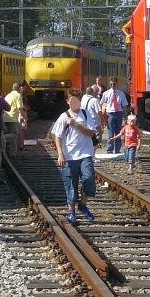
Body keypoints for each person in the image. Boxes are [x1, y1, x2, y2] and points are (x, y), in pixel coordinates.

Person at [51, 89, 98, 225]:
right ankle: (71, 212)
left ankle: (82, 205)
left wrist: (76, 124)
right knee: (71, 184)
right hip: (69, 156)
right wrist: (60, 154)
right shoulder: (63, 117)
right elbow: (57, 137)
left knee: (89, 179)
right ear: (67, 101)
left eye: (77, 98)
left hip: (85, 153)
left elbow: (90, 133)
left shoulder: (86, 114)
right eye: (72, 99)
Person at [100, 77, 128, 154]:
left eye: (114, 84)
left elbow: (124, 105)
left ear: (116, 84)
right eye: (111, 84)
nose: (112, 85)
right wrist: (103, 114)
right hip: (110, 114)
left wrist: (125, 116)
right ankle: (109, 149)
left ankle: (118, 149)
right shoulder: (106, 93)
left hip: (119, 113)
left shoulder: (121, 94)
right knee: (111, 132)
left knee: (118, 132)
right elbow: (102, 103)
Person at [4, 82, 27, 154]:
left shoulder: (8, 95)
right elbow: (20, 108)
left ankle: (6, 152)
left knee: (7, 135)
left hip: (5, 118)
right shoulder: (18, 95)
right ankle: (13, 154)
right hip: (12, 119)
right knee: (13, 136)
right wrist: (23, 117)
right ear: (19, 88)